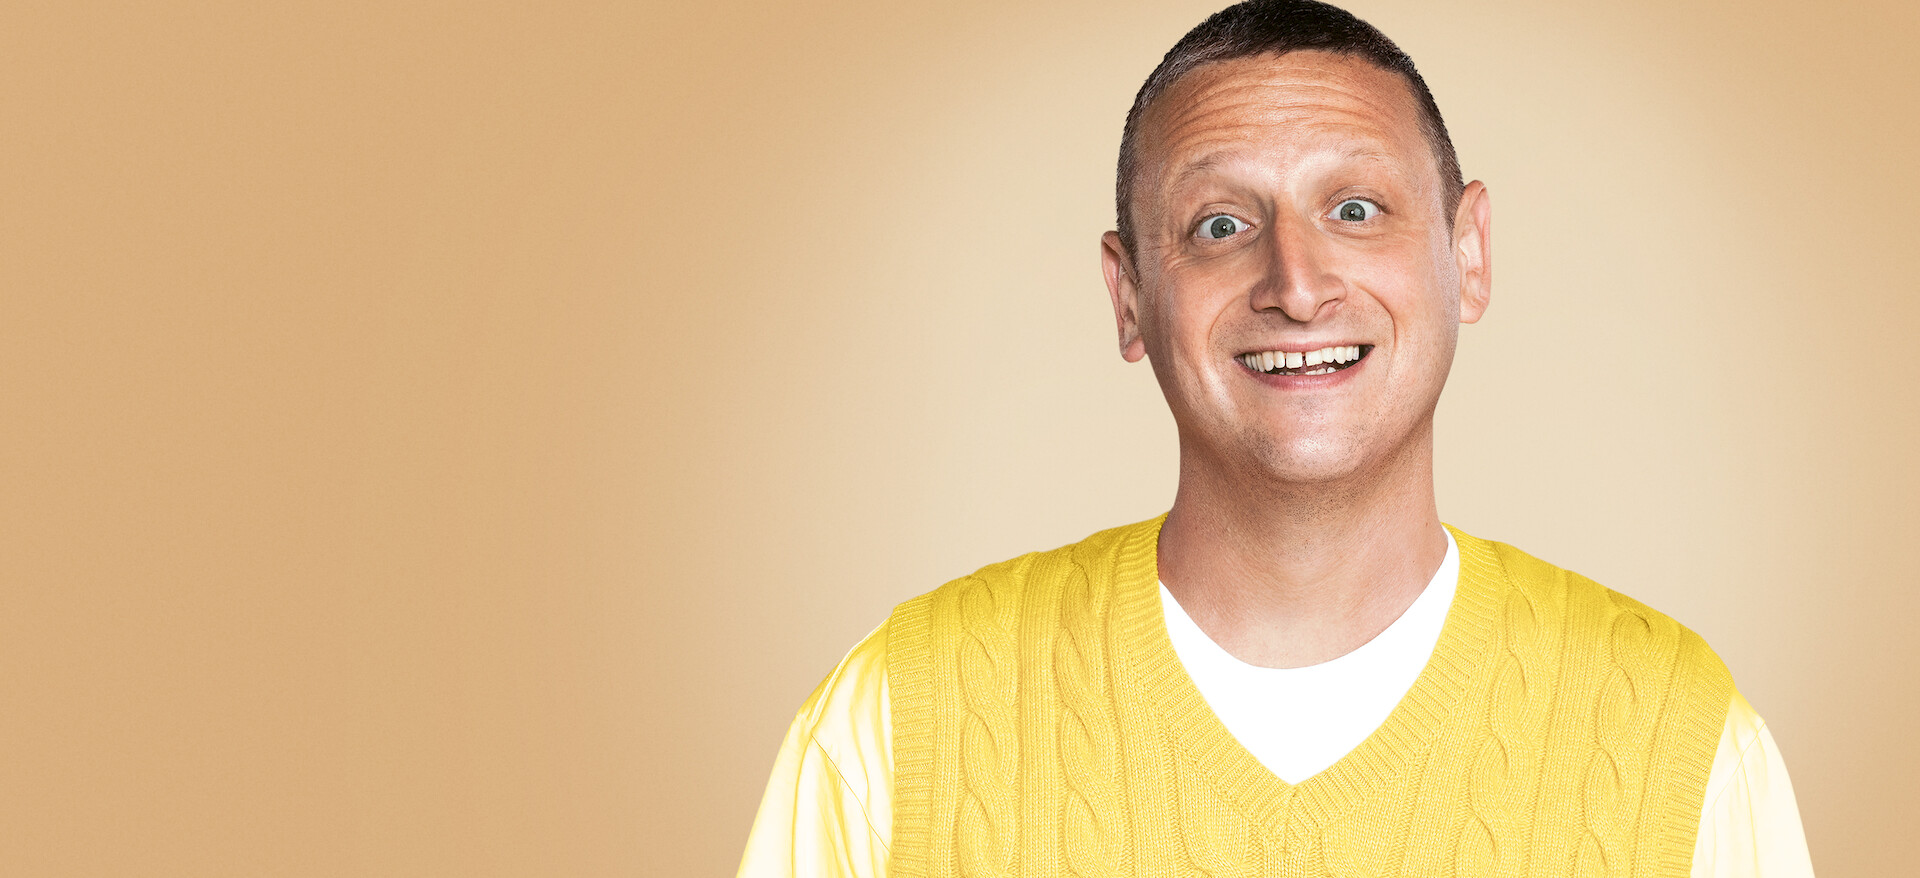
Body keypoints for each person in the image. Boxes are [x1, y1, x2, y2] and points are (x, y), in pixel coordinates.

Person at [738, 1, 1814, 875]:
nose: (1296, 285)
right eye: (1221, 225)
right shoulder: (898, 720)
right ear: (1129, 297)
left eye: (1356, 209)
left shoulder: (1679, 736)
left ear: (1468, 255)